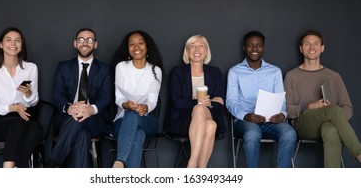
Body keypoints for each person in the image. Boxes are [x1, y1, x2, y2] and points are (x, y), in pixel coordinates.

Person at [284, 29, 361, 167]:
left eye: (316, 44)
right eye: (307, 44)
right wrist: (309, 107)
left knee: (330, 129)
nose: (312, 47)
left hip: (329, 123)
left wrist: (333, 117)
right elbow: (286, 110)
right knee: (334, 110)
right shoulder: (291, 76)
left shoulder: (334, 76)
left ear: (322, 48)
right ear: (301, 49)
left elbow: (348, 107)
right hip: (303, 125)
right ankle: (359, 154)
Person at [226, 30, 296, 168]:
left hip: (271, 121)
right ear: (244, 48)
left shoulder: (275, 71)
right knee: (252, 134)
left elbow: (281, 100)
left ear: (263, 48)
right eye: (250, 45)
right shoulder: (235, 72)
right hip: (245, 121)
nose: (254, 49)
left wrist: (282, 114)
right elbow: (231, 101)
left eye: (258, 45)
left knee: (290, 134)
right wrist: (246, 115)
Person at [47, 28, 113, 167]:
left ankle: (53, 162)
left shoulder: (105, 69)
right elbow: (57, 94)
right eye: (81, 40)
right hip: (67, 119)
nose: (85, 43)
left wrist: (91, 110)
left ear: (95, 44)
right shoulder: (63, 67)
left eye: (89, 40)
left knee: (78, 119)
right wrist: (69, 108)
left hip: (95, 120)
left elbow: (106, 97)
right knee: (82, 136)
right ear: (75, 43)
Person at [0, 27, 43, 168]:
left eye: (17, 40)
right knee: (18, 124)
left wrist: (28, 93)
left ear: (22, 45)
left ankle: (13, 170)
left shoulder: (30, 68)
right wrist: (12, 107)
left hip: (24, 116)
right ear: (1, 45)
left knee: (37, 128)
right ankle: (8, 169)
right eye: (8, 40)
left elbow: (34, 101)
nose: (13, 44)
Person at [169, 35, 226, 168]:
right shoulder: (178, 72)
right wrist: (200, 102)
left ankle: (191, 163)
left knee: (201, 110)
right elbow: (176, 101)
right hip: (183, 121)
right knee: (210, 126)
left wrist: (210, 103)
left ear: (206, 51)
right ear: (187, 52)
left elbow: (221, 102)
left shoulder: (215, 72)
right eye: (192, 46)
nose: (197, 49)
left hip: (209, 113)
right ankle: (200, 170)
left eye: (201, 46)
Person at [111, 30, 164, 168]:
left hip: (148, 120)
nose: (136, 47)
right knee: (138, 132)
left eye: (140, 43)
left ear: (147, 47)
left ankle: (120, 161)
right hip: (122, 122)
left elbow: (153, 101)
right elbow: (119, 98)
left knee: (135, 115)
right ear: (127, 49)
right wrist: (127, 104)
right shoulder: (121, 67)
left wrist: (144, 107)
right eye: (131, 44)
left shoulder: (155, 70)